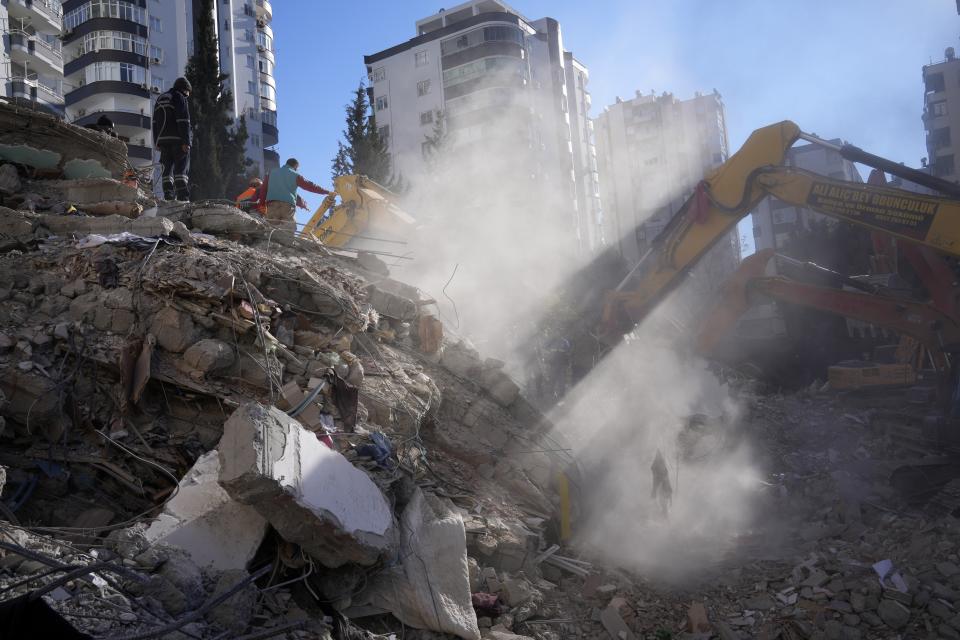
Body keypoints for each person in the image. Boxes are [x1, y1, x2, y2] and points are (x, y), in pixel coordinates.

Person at [259, 158, 331, 231]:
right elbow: (310, 186)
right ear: (296, 166)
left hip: (272, 205)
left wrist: (261, 204)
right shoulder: (295, 175)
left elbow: (263, 189)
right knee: (289, 230)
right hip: (287, 206)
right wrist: (326, 192)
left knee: (270, 228)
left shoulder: (271, 173)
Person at [152, 77, 192, 201]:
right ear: (184, 90)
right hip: (178, 140)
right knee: (181, 169)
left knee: (166, 169)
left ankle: (168, 194)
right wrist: (186, 141)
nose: (187, 96)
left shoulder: (160, 98)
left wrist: (156, 141)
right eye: (188, 93)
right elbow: (183, 120)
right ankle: (182, 197)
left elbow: (154, 122)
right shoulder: (179, 97)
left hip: (163, 141)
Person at [650, 449, 672, 519]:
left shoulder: (661, 465)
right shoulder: (657, 465)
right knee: (662, 503)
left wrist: (669, 489)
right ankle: (663, 518)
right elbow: (653, 469)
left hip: (663, 487)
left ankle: (665, 518)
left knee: (663, 503)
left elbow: (665, 477)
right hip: (661, 487)